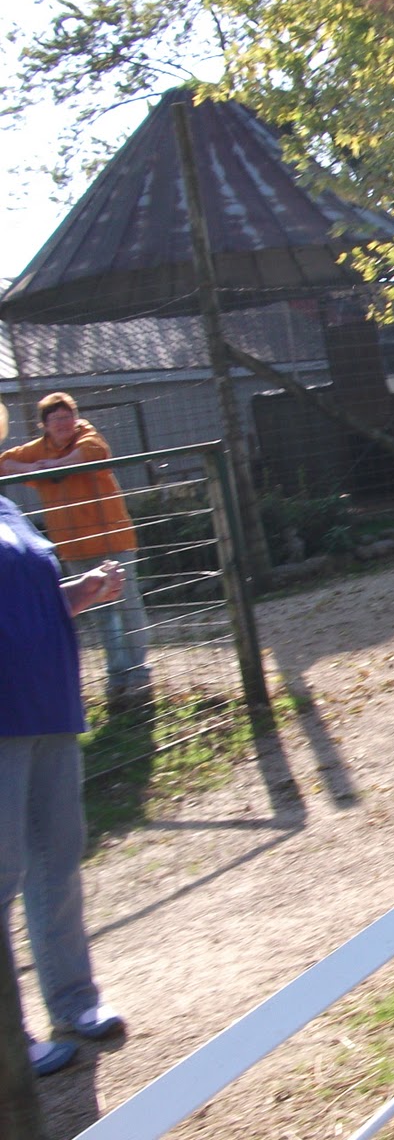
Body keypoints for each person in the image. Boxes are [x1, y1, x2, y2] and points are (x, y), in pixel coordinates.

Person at [0, 399, 128, 1079]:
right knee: (0, 874)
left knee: (57, 859)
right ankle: (6, 1039)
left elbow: (32, 597)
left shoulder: (8, 510)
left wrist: (82, 589)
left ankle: (74, 1004)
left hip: (48, 704)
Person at [0, 391, 151, 707]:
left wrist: (53, 467)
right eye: (56, 419)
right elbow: (3, 463)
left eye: (68, 416)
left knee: (127, 606)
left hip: (112, 542)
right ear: (44, 425)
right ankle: (117, 678)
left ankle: (139, 677)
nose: (64, 423)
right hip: (74, 547)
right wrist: (31, 470)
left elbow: (92, 454)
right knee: (100, 614)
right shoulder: (37, 450)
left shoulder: (87, 435)